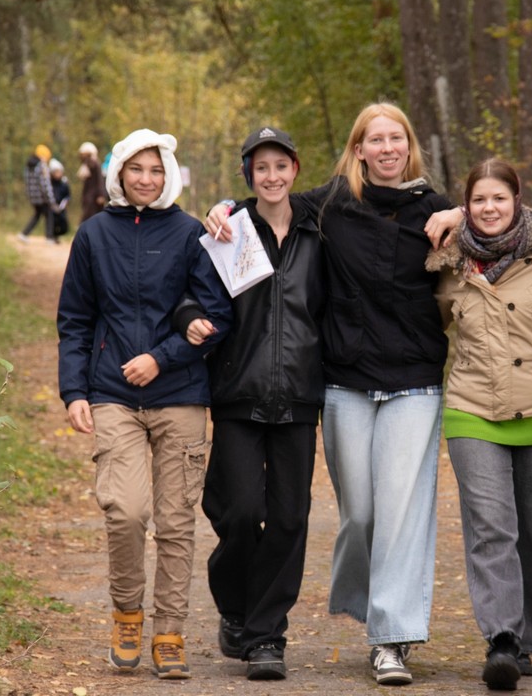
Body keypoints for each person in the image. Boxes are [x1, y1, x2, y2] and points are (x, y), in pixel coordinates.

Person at [204, 102, 457, 686]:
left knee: (394, 512)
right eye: (376, 139)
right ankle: (357, 602)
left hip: (413, 378)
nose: (388, 148)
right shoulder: (333, 203)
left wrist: (465, 211)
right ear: (358, 149)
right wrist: (223, 207)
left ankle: (388, 636)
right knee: (359, 515)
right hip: (345, 380)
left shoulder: (436, 208)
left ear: (409, 145)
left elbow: (503, 220)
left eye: (396, 138)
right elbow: (269, 203)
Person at [57, 128, 232, 680]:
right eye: (137, 169)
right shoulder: (93, 234)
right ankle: (127, 615)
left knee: (176, 521)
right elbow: (75, 320)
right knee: (127, 512)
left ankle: (170, 632)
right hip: (114, 394)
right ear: (119, 172)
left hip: (180, 392)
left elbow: (216, 316)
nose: (147, 179)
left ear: (169, 175)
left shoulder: (189, 234)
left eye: (157, 170)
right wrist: (74, 391)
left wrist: (162, 358)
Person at [172, 127, 324, 681]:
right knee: (236, 512)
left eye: (281, 165)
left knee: (288, 517)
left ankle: (265, 636)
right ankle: (236, 606)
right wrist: (189, 318)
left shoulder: (319, 229)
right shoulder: (229, 229)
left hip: (299, 394)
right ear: (248, 175)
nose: (272, 176)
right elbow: (189, 295)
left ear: (295, 169)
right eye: (262, 168)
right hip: (238, 390)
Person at [425, 158, 532, 691]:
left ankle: (529, 639)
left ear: (518, 200)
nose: (490, 209)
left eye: (499, 198)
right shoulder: (448, 260)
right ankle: (502, 639)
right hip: (473, 410)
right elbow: (423, 325)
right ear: (465, 205)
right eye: (479, 200)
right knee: (491, 526)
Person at [20, 144, 57, 242]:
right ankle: (49, 237)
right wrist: (51, 199)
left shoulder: (28, 166)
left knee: (37, 215)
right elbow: (45, 184)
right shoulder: (42, 166)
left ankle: (24, 234)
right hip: (42, 197)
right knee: (49, 214)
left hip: (33, 196)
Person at [77, 141, 107, 224]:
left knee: (92, 216)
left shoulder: (95, 164)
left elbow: (99, 179)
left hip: (94, 196)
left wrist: (101, 194)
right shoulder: (86, 165)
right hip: (88, 195)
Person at [49, 158, 71, 242]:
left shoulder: (64, 184)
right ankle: (53, 237)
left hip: (61, 207)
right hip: (52, 207)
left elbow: (68, 195)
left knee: (64, 226)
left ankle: (57, 236)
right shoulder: (49, 183)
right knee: (53, 223)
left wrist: (64, 203)